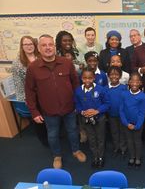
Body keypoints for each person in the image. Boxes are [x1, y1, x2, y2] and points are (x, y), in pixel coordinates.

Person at [25, 34, 86, 169]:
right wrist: (34, 112)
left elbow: (76, 84)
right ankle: (57, 156)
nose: (48, 48)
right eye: (44, 45)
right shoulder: (33, 68)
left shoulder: (66, 63)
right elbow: (29, 92)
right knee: (52, 135)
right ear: (38, 49)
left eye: (50, 44)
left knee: (72, 130)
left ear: (54, 46)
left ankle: (76, 150)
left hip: (70, 108)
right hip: (49, 111)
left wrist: (78, 103)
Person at [11, 35, 48, 146]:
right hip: (32, 96)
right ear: (22, 47)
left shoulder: (41, 57)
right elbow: (18, 84)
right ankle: (45, 141)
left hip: (46, 94)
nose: (29, 46)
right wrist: (27, 100)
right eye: (26, 44)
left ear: (35, 45)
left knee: (49, 117)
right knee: (39, 121)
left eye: (31, 44)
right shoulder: (17, 63)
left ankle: (53, 136)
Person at [74, 67, 109, 168]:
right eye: (85, 78)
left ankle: (101, 157)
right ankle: (95, 156)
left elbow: (107, 104)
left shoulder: (100, 89)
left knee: (100, 138)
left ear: (94, 78)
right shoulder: (78, 91)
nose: (87, 80)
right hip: (86, 119)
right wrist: (82, 111)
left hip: (100, 118)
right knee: (91, 138)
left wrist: (97, 111)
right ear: (81, 78)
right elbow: (77, 104)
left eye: (90, 78)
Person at [119, 72, 145, 168]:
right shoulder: (124, 94)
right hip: (127, 124)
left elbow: (142, 113)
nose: (134, 83)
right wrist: (126, 123)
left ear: (140, 83)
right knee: (129, 141)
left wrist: (137, 125)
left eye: (137, 81)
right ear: (129, 82)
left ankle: (138, 158)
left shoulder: (143, 96)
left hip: (138, 124)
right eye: (132, 81)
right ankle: (132, 156)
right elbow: (121, 110)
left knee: (137, 141)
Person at [106, 66, 128, 157]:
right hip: (111, 114)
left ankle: (123, 147)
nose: (114, 76)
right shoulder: (105, 88)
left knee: (123, 131)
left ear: (120, 76)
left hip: (123, 115)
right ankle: (116, 147)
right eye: (111, 74)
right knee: (114, 131)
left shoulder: (124, 88)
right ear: (108, 76)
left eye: (116, 74)